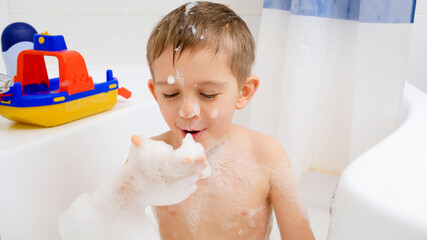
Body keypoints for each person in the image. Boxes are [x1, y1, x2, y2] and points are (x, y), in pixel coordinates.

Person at [145, 1, 315, 239]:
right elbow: (110, 219)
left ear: (244, 92)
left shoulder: (266, 156)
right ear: (155, 93)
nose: (187, 111)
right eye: (170, 94)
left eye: (208, 94)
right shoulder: (150, 158)